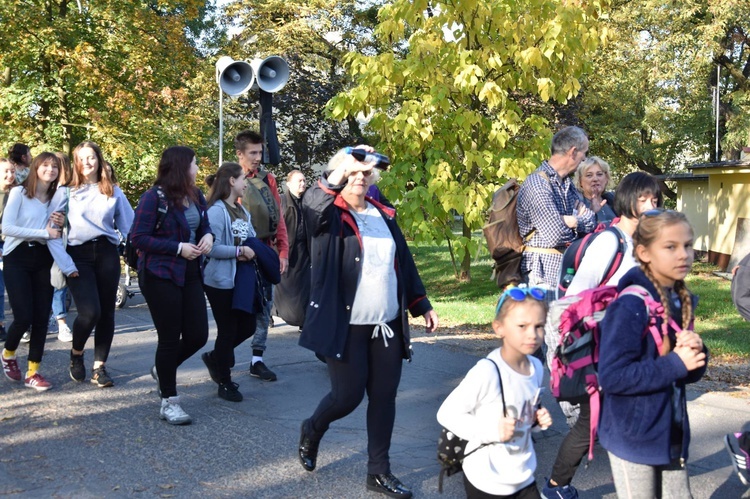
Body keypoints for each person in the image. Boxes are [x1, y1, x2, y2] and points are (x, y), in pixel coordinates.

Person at [297, 146, 439, 499]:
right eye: (354, 172)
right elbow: (312, 205)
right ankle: (313, 428)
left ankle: (379, 471)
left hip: (386, 323)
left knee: (383, 396)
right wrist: (343, 167)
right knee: (346, 397)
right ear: (342, 173)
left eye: (366, 173)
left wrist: (422, 305)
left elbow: (402, 262)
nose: (360, 178)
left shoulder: (382, 214)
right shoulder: (328, 214)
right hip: (345, 325)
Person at [541, 172, 663, 499]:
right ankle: (556, 486)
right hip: (600, 348)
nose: (651, 205)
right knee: (589, 422)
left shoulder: (643, 244)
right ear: (626, 202)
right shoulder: (610, 242)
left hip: (633, 346)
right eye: (644, 199)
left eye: (655, 199)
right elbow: (573, 301)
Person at [598, 209, 708, 498]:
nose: (683, 254)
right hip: (633, 439)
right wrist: (675, 363)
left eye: (688, 245)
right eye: (670, 247)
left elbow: (686, 372)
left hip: (670, 433)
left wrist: (696, 354)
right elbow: (612, 377)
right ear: (644, 252)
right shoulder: (630, 306)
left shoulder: (678, 299)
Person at [437, 285, 553, 498]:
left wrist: (536, 420)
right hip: (487, 479)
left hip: (523, 474)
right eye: (522, 326)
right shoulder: (488, 371)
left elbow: (524, 416)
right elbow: (446, 414)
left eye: (539, 326)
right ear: (499, 328)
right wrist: (492, 431)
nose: (533, 334)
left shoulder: (535, 367)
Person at [130, 146, 213, 424]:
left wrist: (209, 237)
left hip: (190, 272)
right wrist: (178, 247)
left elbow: (204, 226)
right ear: (180, 167)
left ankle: (162, 369)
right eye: (194, 164)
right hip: (160, 274)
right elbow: (138, 238)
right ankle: (170, 401)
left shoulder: (197, 195)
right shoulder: (153, 198)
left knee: (198, 335)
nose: (198, 169)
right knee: (169, 337)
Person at [47, 141, 134, 388]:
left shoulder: (113, 191)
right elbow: (51, 228)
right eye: (82, 158)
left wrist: (138, 249)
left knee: (106, 313)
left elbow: (129, 227)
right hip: (78, 255)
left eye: (91, 157)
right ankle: (76, 353)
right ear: (76, 162)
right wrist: (64, 262)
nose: (87, 162)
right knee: (90, 311)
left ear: (99, 159)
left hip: (107, 253)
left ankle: (100, 368)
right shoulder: (65, 191)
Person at [201, 162, 279, 402]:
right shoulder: (216, 211)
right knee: (227, 330)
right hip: (220, 280)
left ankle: (216, 357)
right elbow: (209, 248)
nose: (246, 183)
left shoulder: (242, 211)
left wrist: (251, 249)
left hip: (242, 280)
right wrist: (238, 251)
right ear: (231, 182)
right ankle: (224, 381)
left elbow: (252, 239)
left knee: (246, 326)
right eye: (243, 178)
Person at [1, 152, 61, 390]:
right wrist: (45, 233)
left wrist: (61, 222)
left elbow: (60, 231)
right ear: (36, 168)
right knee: (23, 316)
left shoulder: (58, 198)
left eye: (55, 166)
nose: (50, 169)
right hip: (17, 257)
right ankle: (8, 354)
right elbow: (7, 227)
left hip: (44, 258)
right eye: (45, 165)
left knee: (41, 319)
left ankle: (33, 372)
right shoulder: (19, 193)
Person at [234, 130, 289, 382]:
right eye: (253, 153)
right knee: (239, 308)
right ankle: (224, 353)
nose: (258, 157)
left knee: (265, 307)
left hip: (265, 249)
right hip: (238, 252)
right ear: (240, 154)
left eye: (260, 152)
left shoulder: (269, 180)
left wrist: (282, 251)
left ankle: (257, 359)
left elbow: (278, 218)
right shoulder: (230, 178)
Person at [517, 126, 596, 293]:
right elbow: (555, 235)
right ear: (573, 152)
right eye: (585, 153)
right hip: (541, 276)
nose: (585, 160)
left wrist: (571, 221)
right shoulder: (537, 184)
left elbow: (591, 222)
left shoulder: (568, 184)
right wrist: (577, 221)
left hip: (567, 273)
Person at [273, 169, 310, 331]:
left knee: (304, 286)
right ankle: (272, 311)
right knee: (283, 285)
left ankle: (304, 319)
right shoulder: (281, 201)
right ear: (289, 184)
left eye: (304, 181)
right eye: (299, 181)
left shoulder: (309, 201)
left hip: (304, 250)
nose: (302, 184)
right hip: (285, 250)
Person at [50, 152, 73, 343]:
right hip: (40, 242)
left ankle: (61, 322)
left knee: (59, 284)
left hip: (61, 242)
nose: (52, 171)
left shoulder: (70, 190)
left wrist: (66, 220)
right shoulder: (39, 189)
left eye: (56, 166)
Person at [572, 156, 617, 226]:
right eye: (589, 175)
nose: (595, 179)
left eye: (599, 174)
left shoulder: (613, 201)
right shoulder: (576, 205)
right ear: (580, 181)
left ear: (606, 178)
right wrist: (591, 213)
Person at [0, 158, 16, 341]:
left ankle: (22, 322)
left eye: (12, 171)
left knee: (15, 286)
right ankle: (1, 324)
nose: (10, 175)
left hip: (13, 243)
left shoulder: (18, 192)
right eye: (5, 171)